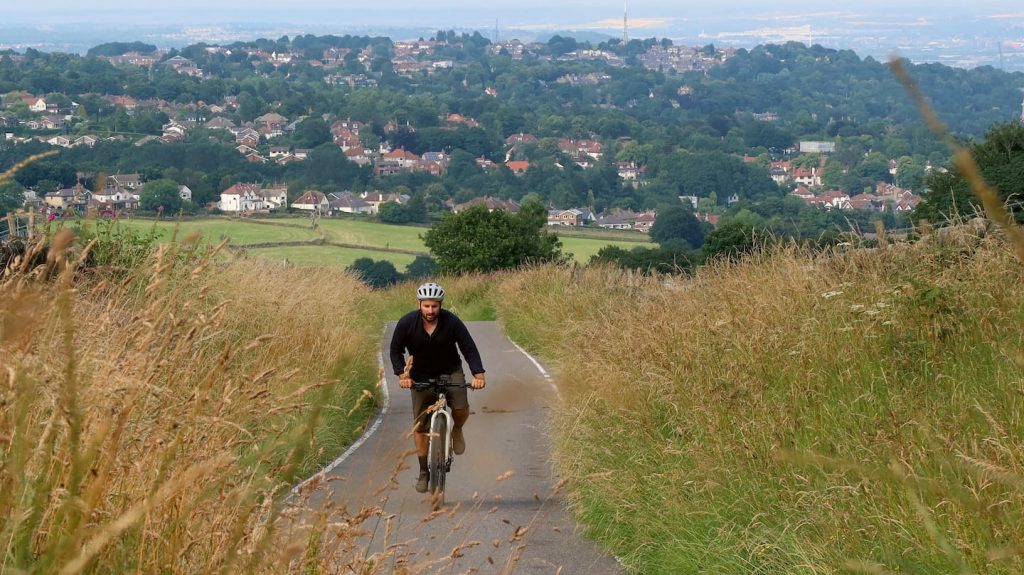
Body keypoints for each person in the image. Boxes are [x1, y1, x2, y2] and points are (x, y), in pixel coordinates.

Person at [390, 282, 486, 493]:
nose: (430, 311)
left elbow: (468, 348)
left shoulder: (452, 322)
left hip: (450, 370)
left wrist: (478, 374)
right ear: (419, 305)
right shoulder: (407, 323)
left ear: (440, 305)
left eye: (434, 306)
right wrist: (401, 374)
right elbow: (395, 350)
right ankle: (424, 471)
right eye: (426, 306)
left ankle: (456, 429)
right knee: (420, 425)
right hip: (420, 376)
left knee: (460, 407)